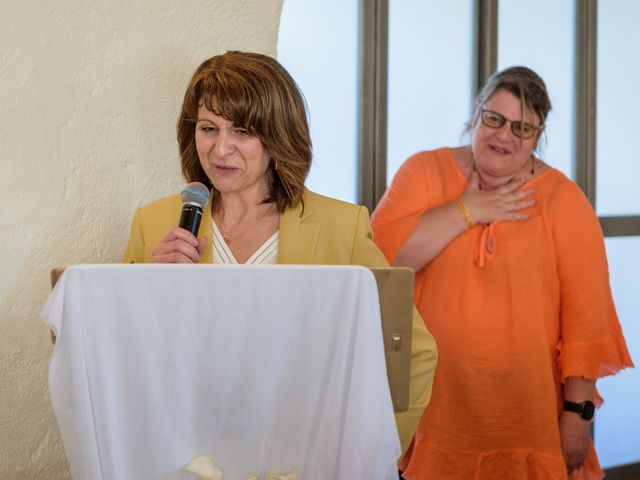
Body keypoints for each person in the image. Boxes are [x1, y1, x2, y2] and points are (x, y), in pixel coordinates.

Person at [123, 50, 437, 458]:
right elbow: (118, 356)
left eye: (241, 131)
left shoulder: (343, 227)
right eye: (208, 128)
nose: (220, 150)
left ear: (278, 135)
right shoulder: (153, 222)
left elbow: (413, 353)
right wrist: (146, 290)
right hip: (180, 459)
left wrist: (365, 453)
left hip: (301, 462)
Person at [371, 66, 633, 479]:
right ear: (475, 115)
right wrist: (468, 210)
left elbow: (586, 318)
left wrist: (577, 414)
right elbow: (382, 262)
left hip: (528, 418)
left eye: (522, 128)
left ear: (538, 134)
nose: (504, 136)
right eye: (494, 118)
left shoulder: (564, 200)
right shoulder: (424, 172)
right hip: (436, 409)